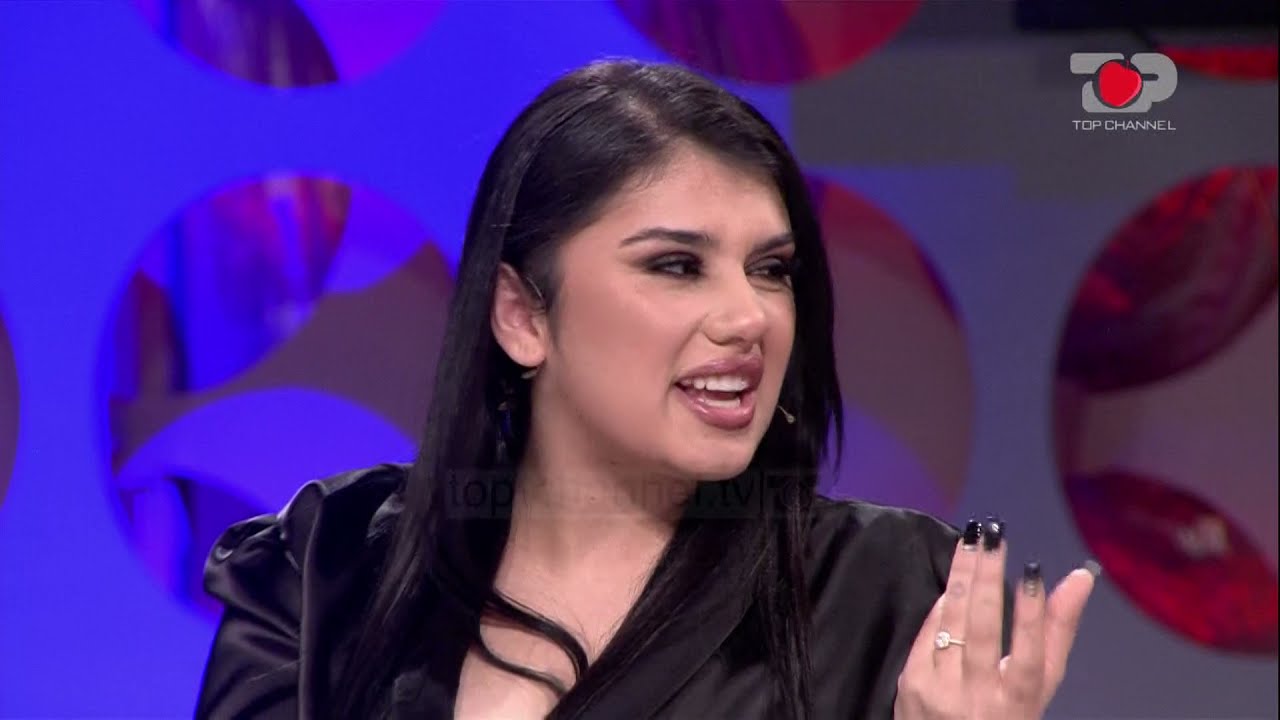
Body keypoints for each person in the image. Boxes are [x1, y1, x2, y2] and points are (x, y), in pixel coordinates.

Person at [195, 59, 1096, 720]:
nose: (750, 317)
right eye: (676, 265)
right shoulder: (325, 569)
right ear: (522, 315)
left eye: (772, 269)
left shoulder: (885, 593)